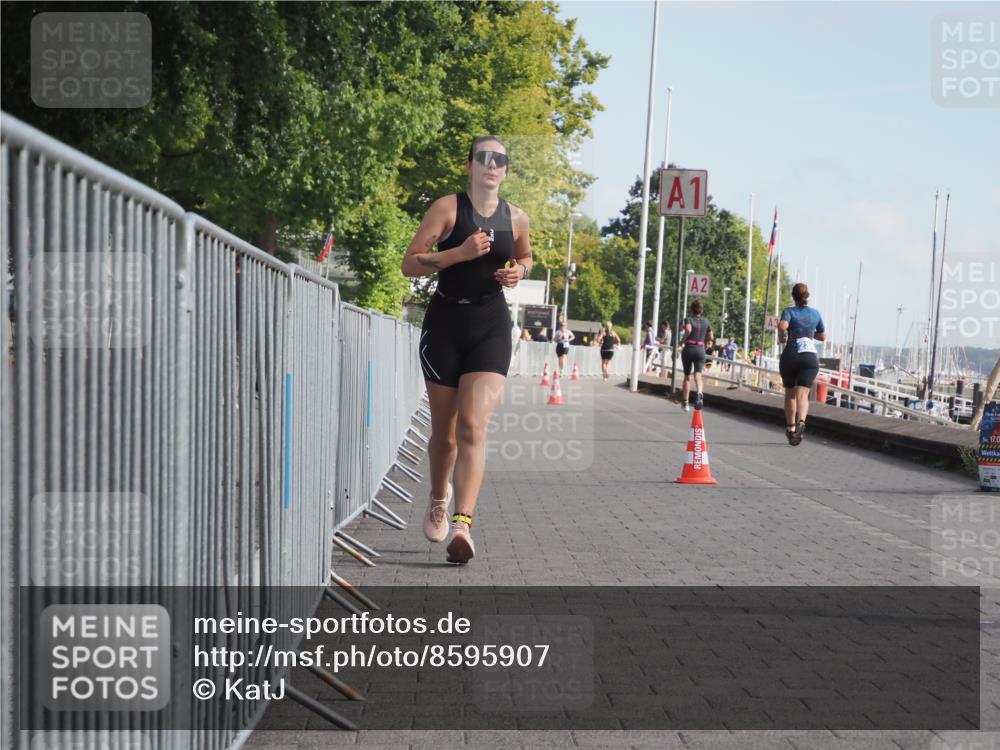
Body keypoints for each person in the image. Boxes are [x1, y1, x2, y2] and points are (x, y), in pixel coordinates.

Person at [401, 135, 532, 563]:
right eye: (484, 158)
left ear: (506, 170)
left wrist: (518, 272)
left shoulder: (517, 218)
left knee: (473, 424)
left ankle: (463, 525)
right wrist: (457, 253)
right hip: (445, 326)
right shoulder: (448, 208)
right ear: (470, 165)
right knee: (445, 432)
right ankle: (439, 496)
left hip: (490, 326)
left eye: (500, 160)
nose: (492, 165)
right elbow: (410, 262)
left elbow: (527, 257)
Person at [778, 282, 826, 446]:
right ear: (807, 296)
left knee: (790, 393)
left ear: (793, 296)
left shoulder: (789, 311)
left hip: (791, 353)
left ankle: (791, 429)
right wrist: (810, 332)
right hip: (810, 356)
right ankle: (802, 422)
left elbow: (782, 325)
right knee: (803, 394)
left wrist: (781, 336)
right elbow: (823, 336)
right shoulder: (815, 313)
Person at [679, 299, 714, 412]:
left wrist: (682, 340)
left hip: (689, 348)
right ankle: (699, 393)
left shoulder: (688, 319)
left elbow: (688, 329)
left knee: (687, 376)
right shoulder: (706, 322)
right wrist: (705, 340)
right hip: (700, 349)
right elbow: (711, 337)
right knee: (698, 375)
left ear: (692, 309)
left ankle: (685, 404)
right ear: (701, 310)